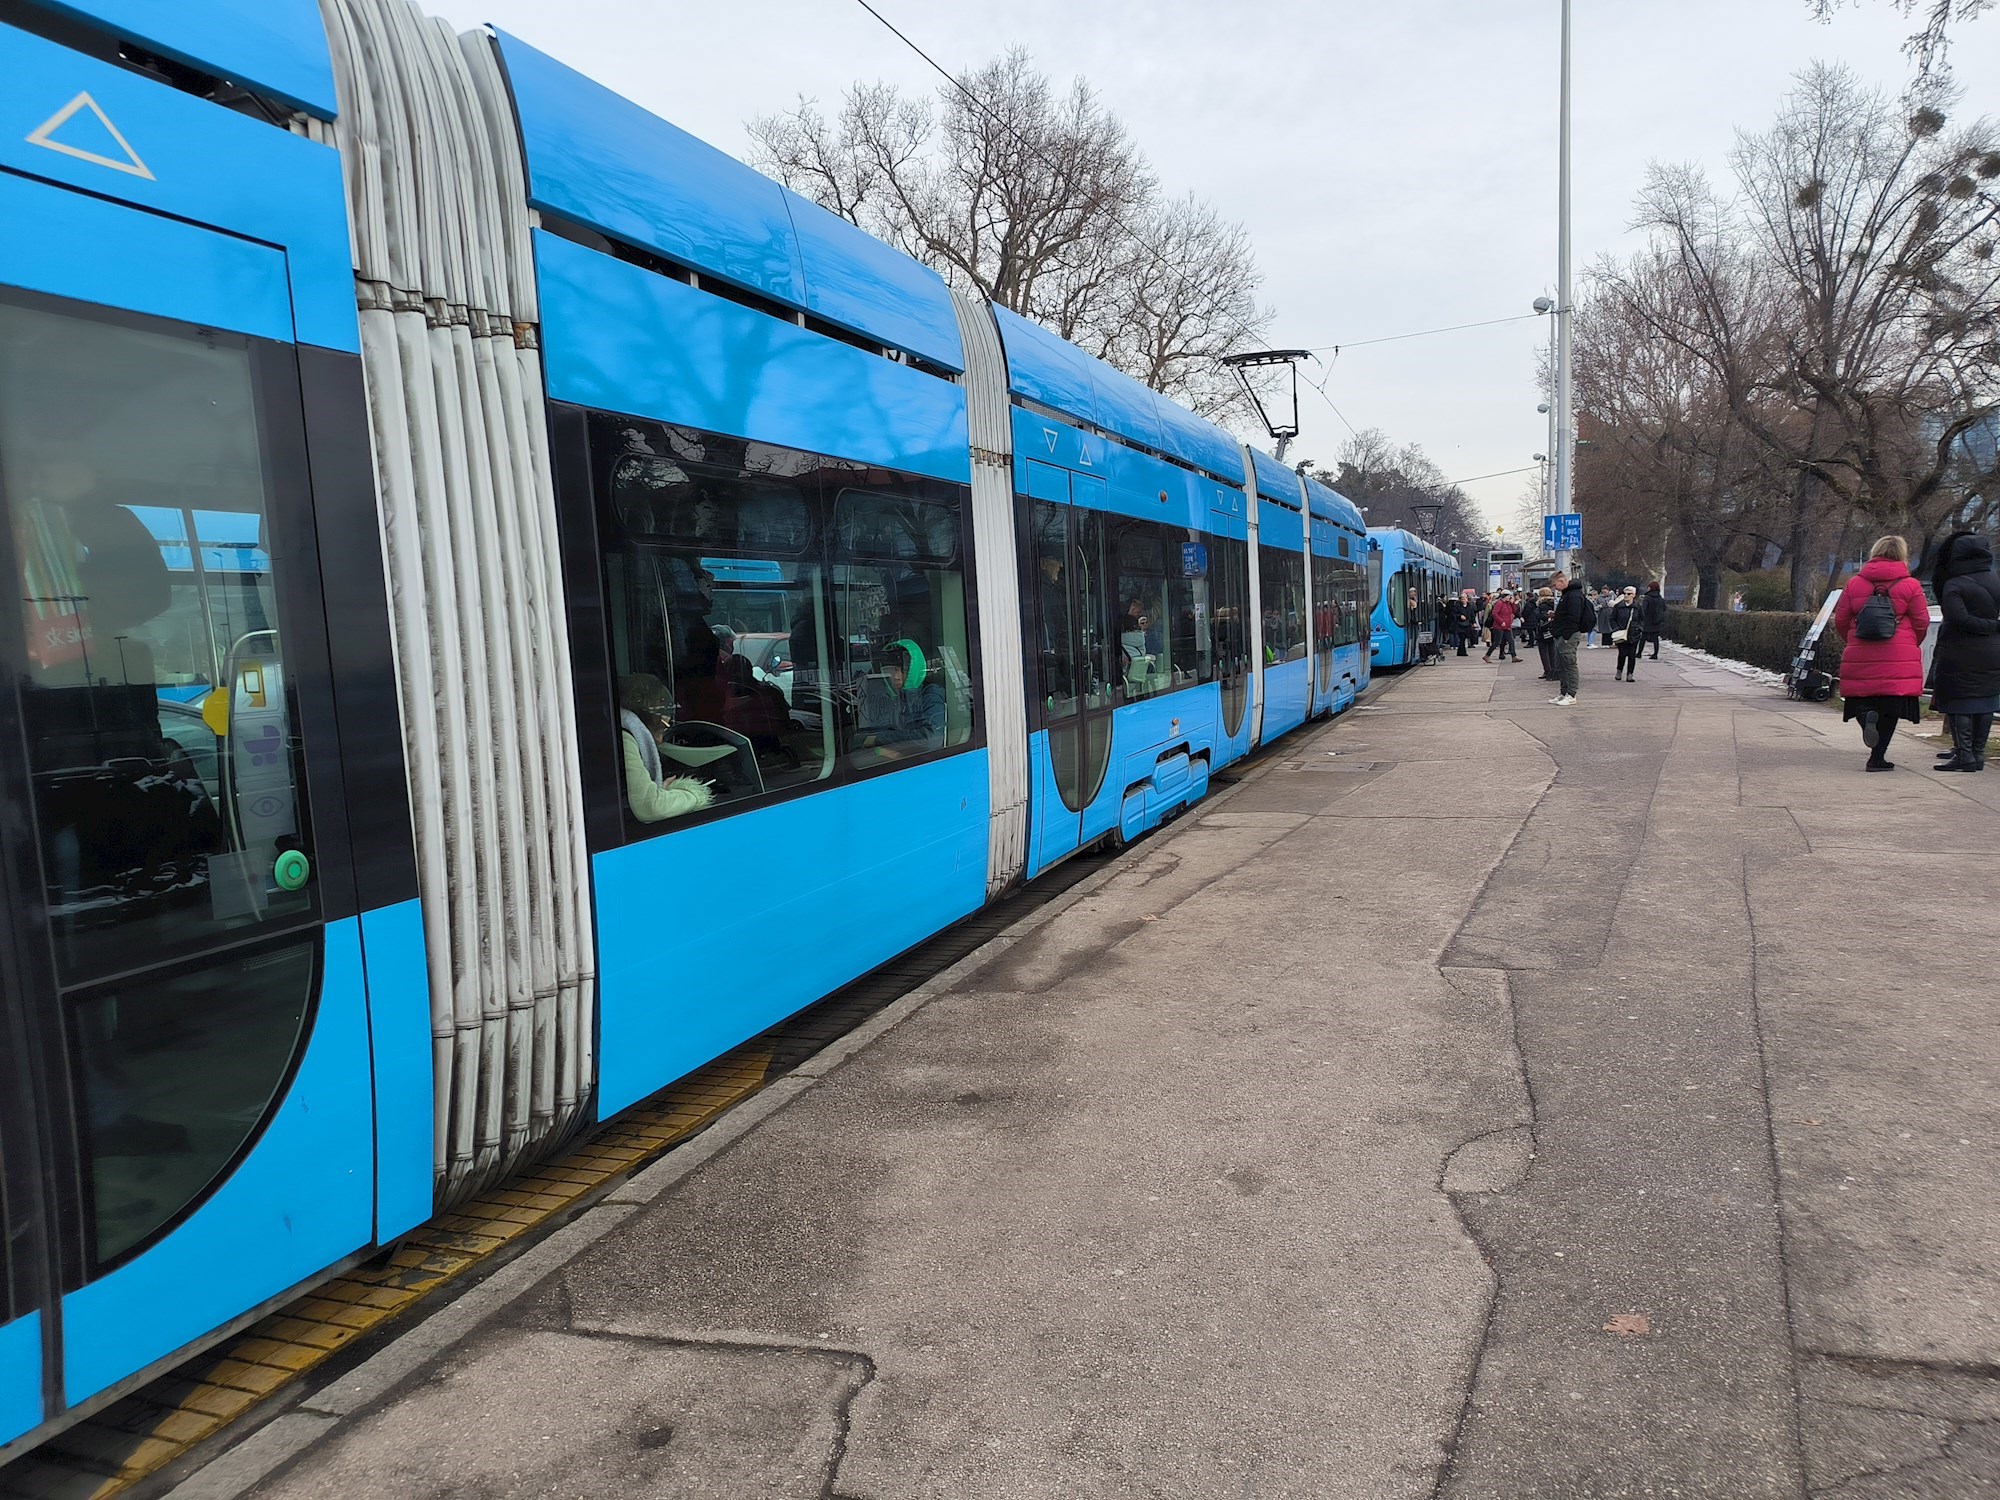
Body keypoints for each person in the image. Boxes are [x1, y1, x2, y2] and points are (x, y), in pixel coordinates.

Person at [1832, 535, 1930, 771]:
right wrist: (1908, 643)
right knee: (1891, 707)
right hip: (1898, 653)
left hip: (1861, 650)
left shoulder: (1855, 583)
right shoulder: (1911, 585)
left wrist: (1854, 639)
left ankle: (1866, 718)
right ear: (1902, 555)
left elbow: (1842, 620)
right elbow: (1921, 622)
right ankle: (1876, 759)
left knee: (1861, 700)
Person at [1927, 531, 2000, 772]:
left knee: (1960, 700)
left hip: (1959, 649)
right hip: (1992, 650)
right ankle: (1978, 754)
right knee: (1986, 700)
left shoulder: (1954, 584)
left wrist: (1989, 626)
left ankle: (1965, 754)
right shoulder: (1996, 579)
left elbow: (1959, 619)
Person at [617, 674, 717, 822]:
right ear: (648, 716)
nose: (660, 739)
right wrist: (693, 794)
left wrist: (659, 790)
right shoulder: (626, 739)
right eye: (661, 727)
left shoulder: (619, 730)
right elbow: (649, 807)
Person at [871, 637, 945, 754]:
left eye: (901, 670)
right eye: (890, 671)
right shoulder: (895, 699)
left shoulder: (931, 695)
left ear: (913, 669)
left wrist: (880, 739)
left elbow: (931, 739)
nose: (895, 677)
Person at [1547, 572, 1591, 705]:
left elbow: (1574, 617)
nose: (1555, 589)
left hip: (1568, 635)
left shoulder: (1573, 595)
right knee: (1561, 665)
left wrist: (1566, 634)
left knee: (1569, 664)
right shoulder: (1568, 595)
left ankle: (1571, 694)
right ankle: (1563, 692)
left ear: (1561, 581)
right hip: (1563, 634)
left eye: (1555, 586)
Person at [1610, 586, 1643, 681]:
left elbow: (1642, 619)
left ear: (1634, 595)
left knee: (1632, 655)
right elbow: (1612, 618)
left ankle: (1630, 673)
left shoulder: (1637, 607)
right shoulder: (1619, 606)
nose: (1626, 595)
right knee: (1622, 654)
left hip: (1634, 634)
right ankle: (1619, 670)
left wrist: (1639, 628)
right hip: (1621, 634)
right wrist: (1616, 628)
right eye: (1625, 593)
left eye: (1629, 594)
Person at [1484, 591, 1518, 661]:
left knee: (1511, 641)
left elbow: (1514, 611)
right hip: (1499, 626)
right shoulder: (1499, 603)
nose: (1509, 598)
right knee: (1497, 642)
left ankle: (1514, 656)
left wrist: (1513, 604)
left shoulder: (1508, 604)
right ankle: (1487, 655)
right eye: (1508, 596)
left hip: (1507, 626)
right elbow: (1494, 613)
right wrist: (1501, 621)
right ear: (1504, 596)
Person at [1640, 581, 1669, 660]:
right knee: (1655, 638)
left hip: (1647, 621)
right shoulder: (1660, 599)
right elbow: (1664, 608)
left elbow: (1643, 609)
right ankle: (1655, 654)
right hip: (1657, 621)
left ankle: (1639, 653)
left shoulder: (1647, 598)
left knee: (1643, 637)